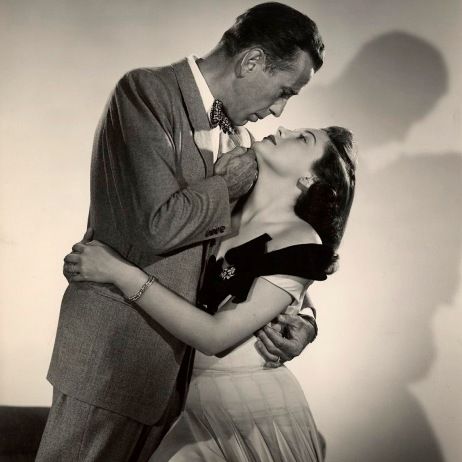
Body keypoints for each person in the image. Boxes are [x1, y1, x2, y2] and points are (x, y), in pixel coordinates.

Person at [36, 3, 326, 460]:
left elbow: (264, 244)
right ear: (251, 61)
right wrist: (227, 185)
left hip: (185, 379)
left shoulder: (248, 141)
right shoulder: (145, 92)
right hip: (113, 355)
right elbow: (156, 227)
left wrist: (303, 317)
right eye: (284, 91)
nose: (278, 110)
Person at [63, 125, 356, 461]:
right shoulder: (227, 194)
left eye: (303, 139)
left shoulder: (299, 239)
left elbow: (215, 336)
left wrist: (119, 273)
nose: (282, 126)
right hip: (188, 404)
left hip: (252, 415)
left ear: (308, 180)